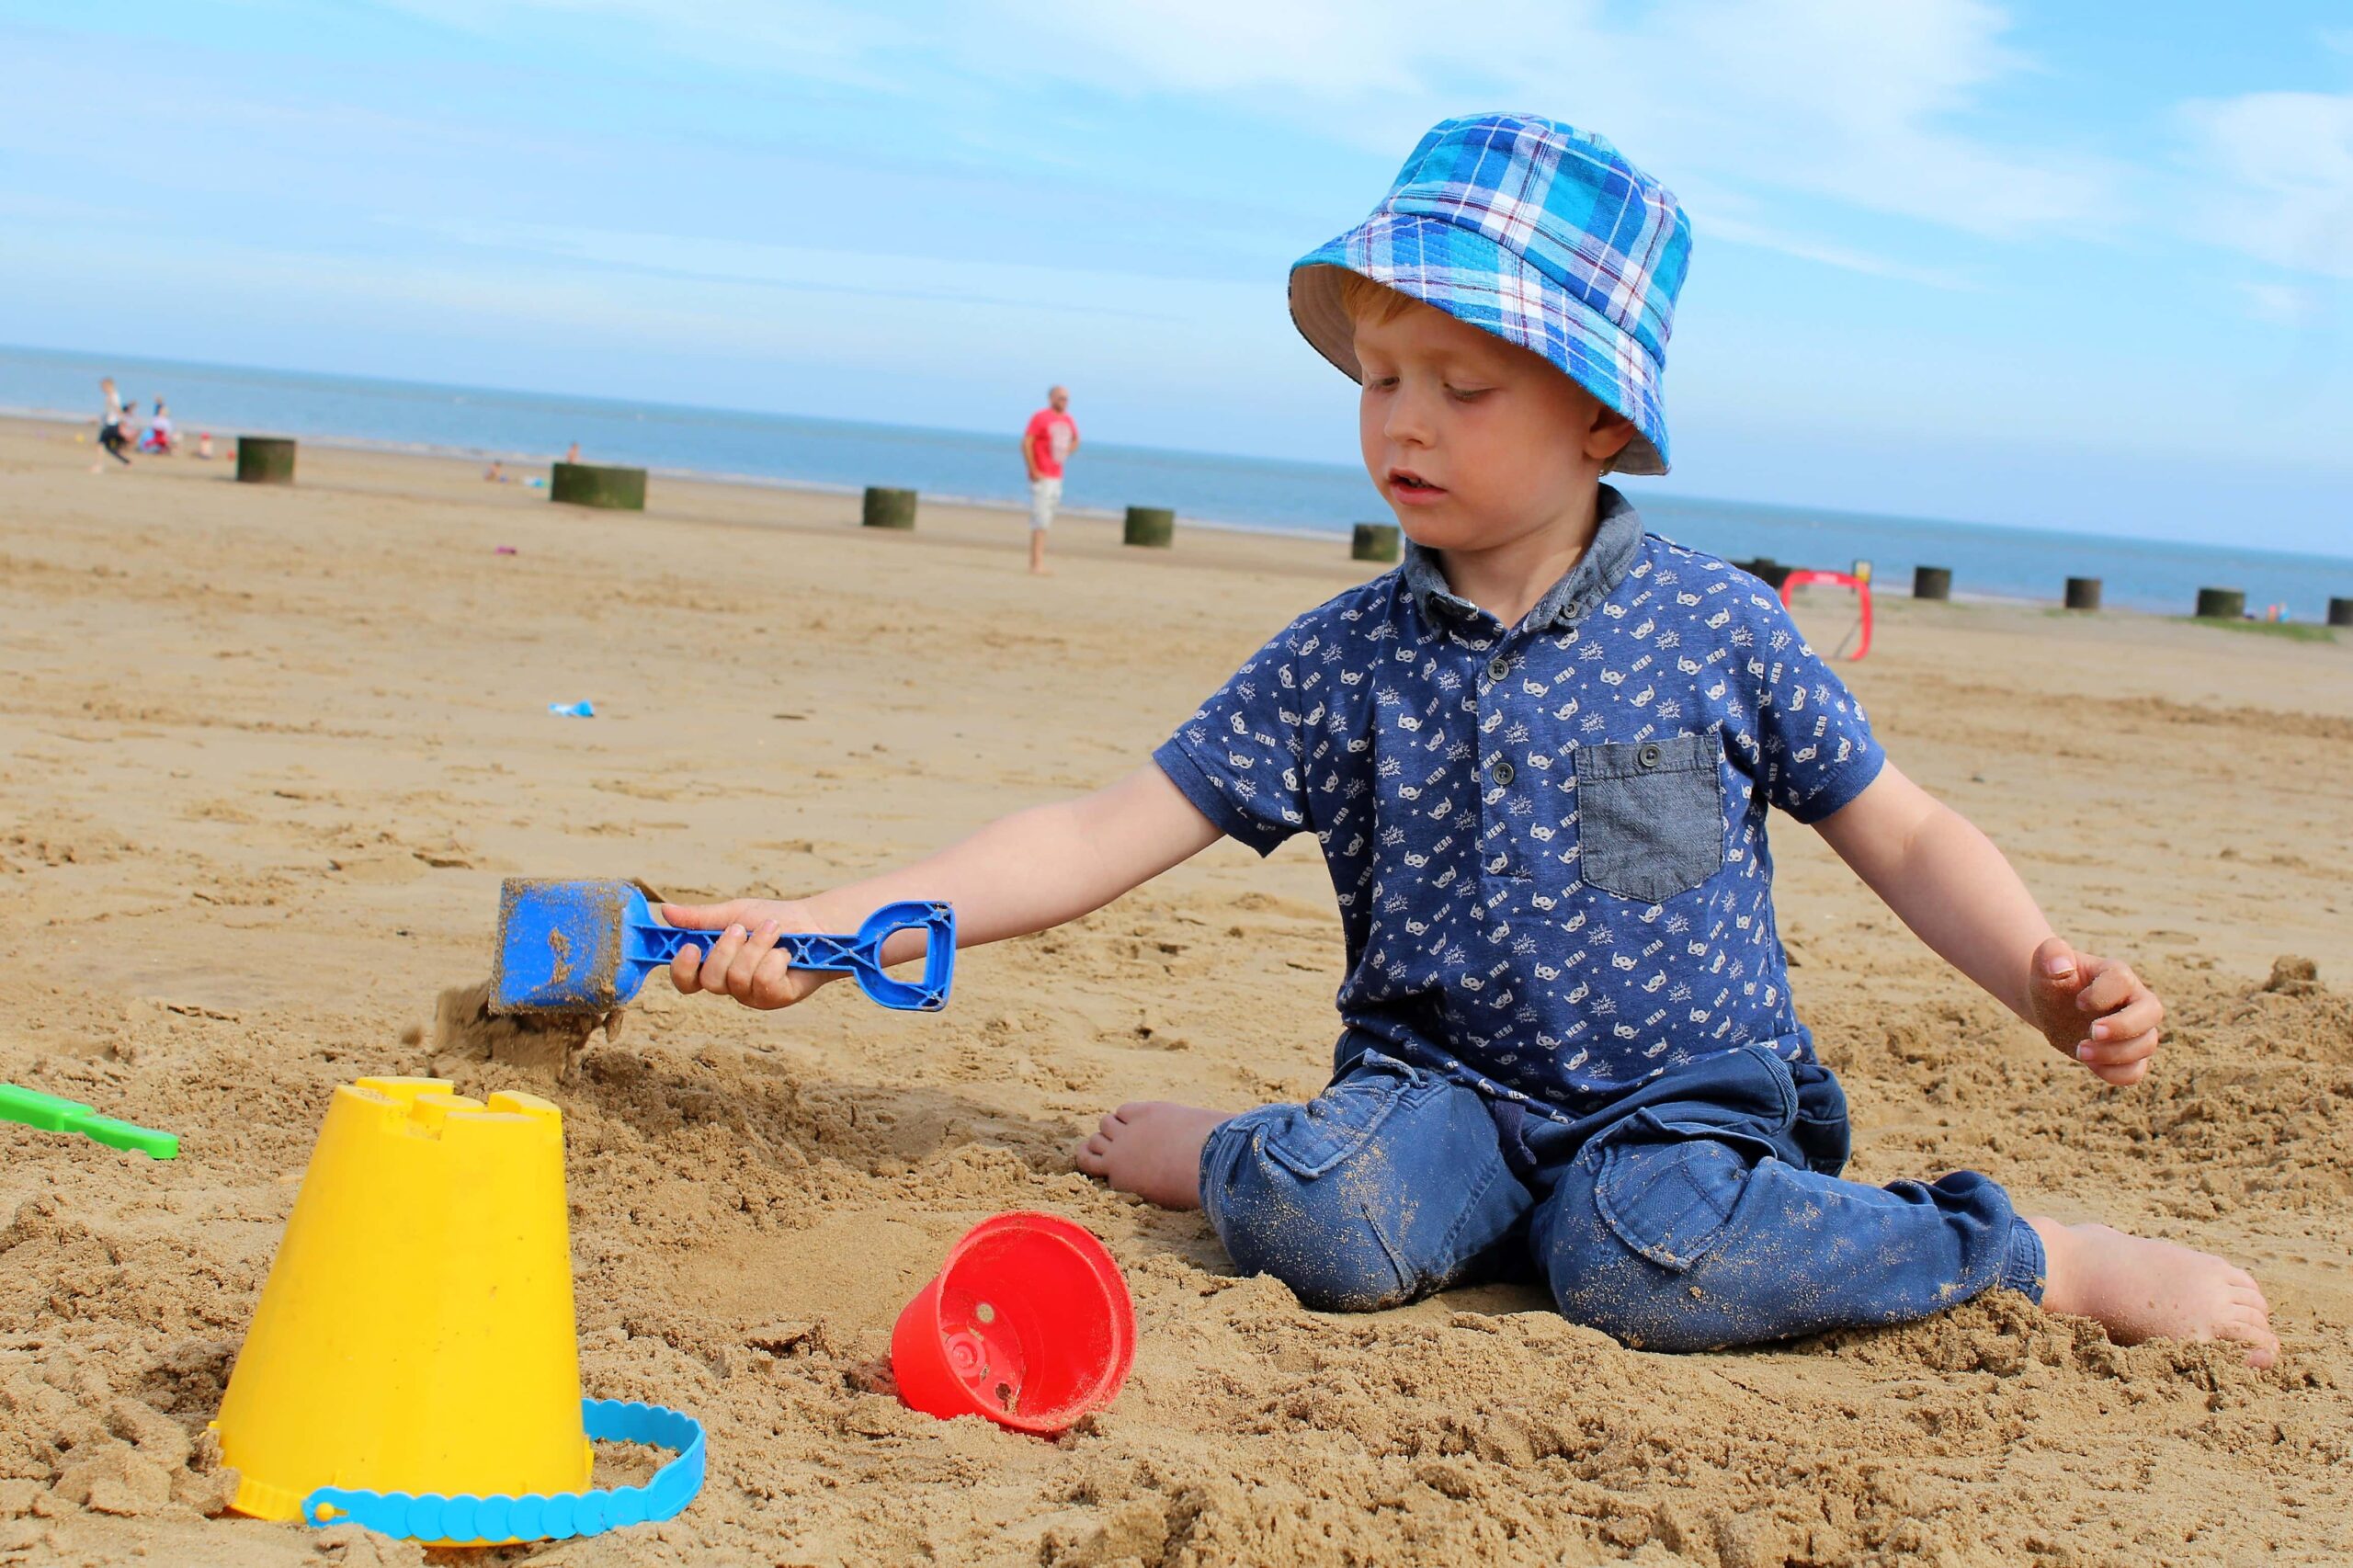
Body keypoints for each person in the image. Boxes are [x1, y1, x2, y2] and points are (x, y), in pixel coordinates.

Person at [656, 114, 2275, 1366]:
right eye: (1378, 379)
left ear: (1600, 414)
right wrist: (842, 922)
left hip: (1684, 1112)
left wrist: (2044, 976)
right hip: (1439, 1093)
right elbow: (1095, 831)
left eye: (1461, 384)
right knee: (1328, 1219)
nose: (1402, 423)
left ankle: (2034, 1256)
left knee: (1650, 1260)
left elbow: (1904, 832)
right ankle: (1239, 1152)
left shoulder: (1718, 630)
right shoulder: (1340, 662)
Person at [1019, 386, 1079, 575]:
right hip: (1042, 475)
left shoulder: (1068, 419)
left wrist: (1067, 451)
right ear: (1052, 398)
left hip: (1057, 475)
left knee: (1048, 517)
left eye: (1067, 399)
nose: (1064, 402)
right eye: (1061, 398)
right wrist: (1033, 468)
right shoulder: (1040, 417)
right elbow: (1026, 442)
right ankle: (1036, 563)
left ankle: (1039, 562)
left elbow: (1076, 439)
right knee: (1040, 519)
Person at [93, 380, 131, 468]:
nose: (102, 389)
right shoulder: (111, 396)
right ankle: (126, 461)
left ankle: (99, 466)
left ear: (108, 386)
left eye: (103, 386)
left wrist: (123, 422)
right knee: (108, 447)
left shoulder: (114, 396)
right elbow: (109, 412)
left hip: (111, 425)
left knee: (100, 444)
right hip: (110, 424)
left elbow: (118, 410)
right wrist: (98, 419)